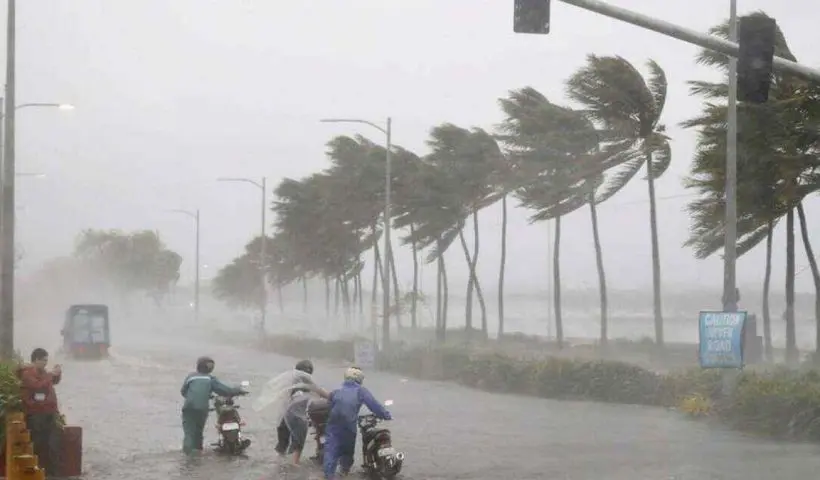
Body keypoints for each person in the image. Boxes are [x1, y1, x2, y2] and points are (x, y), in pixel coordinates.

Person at [323, 366, 391, 480]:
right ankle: (344, 473)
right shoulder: (361, 391)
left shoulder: (337, 390)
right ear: (359, 379)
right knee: (347, 450)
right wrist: (386, 415)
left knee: (331, 450)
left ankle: (329, 476)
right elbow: (374, 405)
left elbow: (329, 406)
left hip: (333, 424)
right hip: (349, 425)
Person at [180, 356, 247, 454]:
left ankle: (188, 453)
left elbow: (183, 392)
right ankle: (197, 452)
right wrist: (238, 391)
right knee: (198, 431)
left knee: (189, 432)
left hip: (188, 407)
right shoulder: (210, 379)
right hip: (202, 408)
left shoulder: (190, 377)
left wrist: (196, 397)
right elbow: (225, 390)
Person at [19, 348, 62, 477]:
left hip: (49, 412)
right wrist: (50, 375)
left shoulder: (43, 373)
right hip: (35, 414)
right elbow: (38, 386)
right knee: (39, 443)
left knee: (53, 443)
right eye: (43, 360)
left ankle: (52, 473)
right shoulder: (27, 374)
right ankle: (38, 472)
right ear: (36, 360)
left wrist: (57, 374)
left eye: (46, 360)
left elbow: (53, 381)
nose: (45, 363)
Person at [281, 359, 330, 465]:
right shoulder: (307, 382)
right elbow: (322, 392)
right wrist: (335, 397)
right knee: (298, 442)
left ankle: (279, 463)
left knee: (283, 442)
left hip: (285, 415)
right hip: (297, 416)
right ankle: (294, 464)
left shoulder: (292, 382)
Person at [275, 359, 318, 455]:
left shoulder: (291, 382)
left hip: (286, 417)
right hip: (297, 419)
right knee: (296, 445)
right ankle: (292, 462)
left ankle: (280, 461)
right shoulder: (309, 385)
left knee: (283, 444)